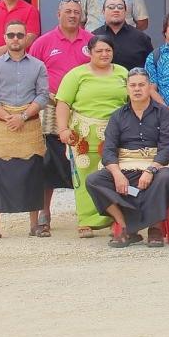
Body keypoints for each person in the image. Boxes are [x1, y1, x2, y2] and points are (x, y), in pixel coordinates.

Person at [85, 68, 169, 248]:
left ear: (150, 87)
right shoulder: (118, 115)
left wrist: (151, 170)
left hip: (155, 164)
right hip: (125, 164)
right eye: (132, 85)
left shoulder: (163, 113)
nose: (137, 89)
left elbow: (167, 147)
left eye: (141, 85)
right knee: (94, 180)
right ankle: (126, 227)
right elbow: (109, 151)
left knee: (165, 177)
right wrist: (117, 173)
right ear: (127, 88)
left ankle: (155, 229)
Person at [28, 0, 93, 234]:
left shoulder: (91, 41)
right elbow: (32, 73)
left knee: (85, 158)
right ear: (58, 14)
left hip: (84, 109)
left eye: (77, 12)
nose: (73, 15)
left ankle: (87, 214)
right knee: (48, 160)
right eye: (68, 11)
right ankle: (45, 213)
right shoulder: (43, 42)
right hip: (51, 107)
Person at [0, 19, 49, 241]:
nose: (16, 39)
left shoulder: (38, 65)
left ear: (27, 38)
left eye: (20, 35)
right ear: (4, 38)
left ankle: (34, 224)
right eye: (11, 35)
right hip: (2, 125)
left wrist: (24, 116)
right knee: (0, 176)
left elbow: (43, 95)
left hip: (29, 125)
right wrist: (8, 116)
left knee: (32, 174)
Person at [54, 35, 128, 237]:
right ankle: (86, 220)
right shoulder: (76, 75)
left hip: (115, 133)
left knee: (114, 175)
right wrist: (62, 129)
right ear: (90, 52)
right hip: (84, 134)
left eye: (108, 51)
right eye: (99, 51)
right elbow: (63, 103)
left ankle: (115, 218)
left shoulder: (123, 73)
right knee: (85, 176)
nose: (104, 54)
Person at [92, 0, 153, 70]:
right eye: (111, 7)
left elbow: (151, 67)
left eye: (120, 7)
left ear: (125, 11)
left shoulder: (142, 38)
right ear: (103, 11)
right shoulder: (93, 36)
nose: (116, 10)